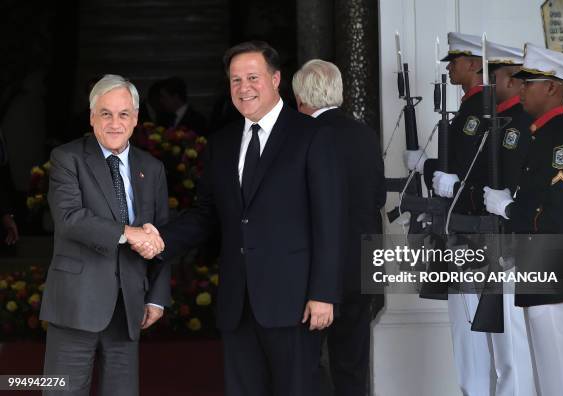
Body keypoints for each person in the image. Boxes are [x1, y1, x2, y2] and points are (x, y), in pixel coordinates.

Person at [155, 41, 344, 396]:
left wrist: (324, 293)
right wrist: (158, 239)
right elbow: (206, 215)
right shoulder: (222, 143)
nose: (244, 88)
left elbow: (329, 220)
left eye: (253, 77)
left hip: (296, 303)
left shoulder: (313, 136)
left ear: (275, 79)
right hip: (237, 304)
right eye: (235, 80)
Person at [40, 74, 170, 396]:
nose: (115, 123)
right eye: (106, 113)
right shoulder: (67, 158)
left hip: (129, 309)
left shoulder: (151, 168)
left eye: (123, 114)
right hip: (75, 305)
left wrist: (157, 296)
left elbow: (162, 235)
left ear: (136, 118)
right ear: (91, 116)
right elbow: (70, 218)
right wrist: (129, 233)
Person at [483, 43, 563, 396]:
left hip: (554, 266)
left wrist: (509, 209)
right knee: (547, 377)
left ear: (553, 88)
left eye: (530, 82)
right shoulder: (541, 135)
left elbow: (560, 214)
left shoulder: (562, 141)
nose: (522, 87)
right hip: (538, 264)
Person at [404, 32, 492, 396]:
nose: (450, 67)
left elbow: (464, 170)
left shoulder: (478, 109)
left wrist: (428, 168)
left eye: (455, 61)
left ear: (474, 64)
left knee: (470, 325)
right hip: (460, 225)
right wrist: (428, 166)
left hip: (470, 229)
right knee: (465, 322)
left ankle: (475, 390)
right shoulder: (469, 108)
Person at [292, 59, 386, 396]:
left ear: (300, 95)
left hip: (314, 271)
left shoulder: (300, 136)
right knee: (352, 366)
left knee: (305, 365)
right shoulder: (364, 134)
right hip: (363, 266)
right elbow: (377, 197)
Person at [474, 41, 537, 396]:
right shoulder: (500, 122)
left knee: (513, 348)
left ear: (513, 82)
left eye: (493, 77)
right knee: (500, 348)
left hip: (514, 241)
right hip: (494, 239)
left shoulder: (522, 126)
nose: (488, 85)